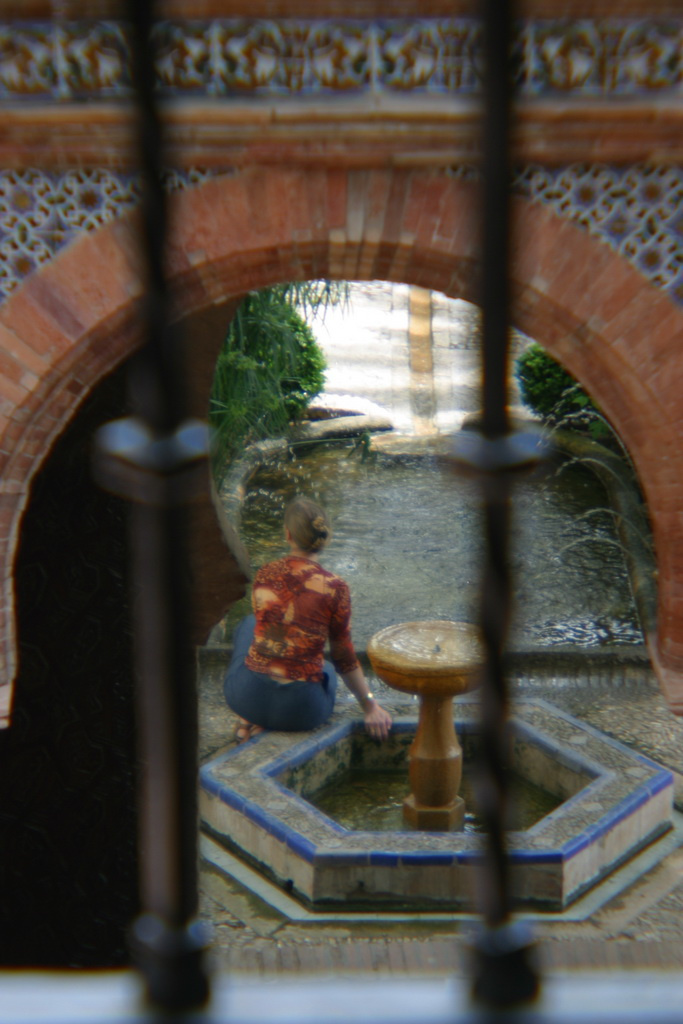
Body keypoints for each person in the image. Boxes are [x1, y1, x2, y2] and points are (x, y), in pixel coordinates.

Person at [224, 496, 392, 743]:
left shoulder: (265, 573)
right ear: (325, 537)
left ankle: (250, 719)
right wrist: (370, 707)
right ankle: (266, 716)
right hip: (302, 712)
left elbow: (268, 627)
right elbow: (344, 658)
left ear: (288, 534)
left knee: (248, 624)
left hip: (247, 698)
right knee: (326, 668)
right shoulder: (336, 587)